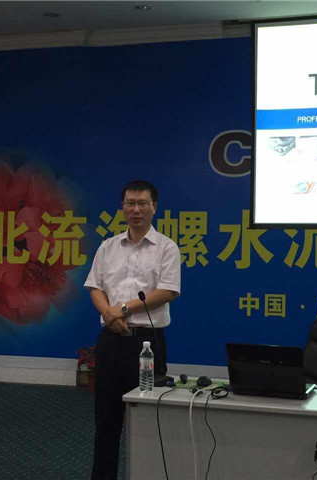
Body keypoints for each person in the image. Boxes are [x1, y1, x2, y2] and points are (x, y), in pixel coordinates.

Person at [84, 179, 181, 480]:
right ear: (122, 207)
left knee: (150, 420)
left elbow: (167, 291)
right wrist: (108, 313)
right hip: (111, 342)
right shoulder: (108, 247)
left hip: (147, 344)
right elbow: (95, 287)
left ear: (154, 207)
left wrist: (122, 309)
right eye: (130, 203)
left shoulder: (167, 247)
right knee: (106, 420)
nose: (136, 209)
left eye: (142, 203)